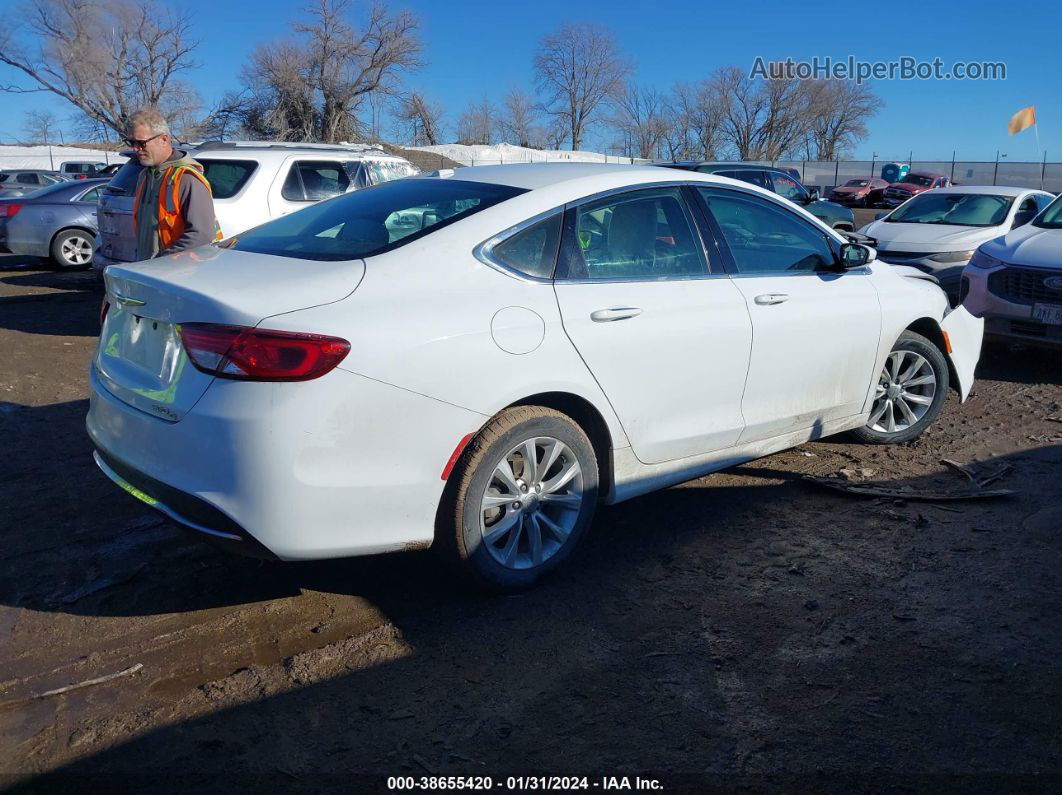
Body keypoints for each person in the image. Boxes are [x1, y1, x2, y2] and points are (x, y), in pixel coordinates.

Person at [124, 108, 221, 261]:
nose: (136, 149)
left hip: (177, 272)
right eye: (132, 142)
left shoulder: (187, 178)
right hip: (148, 270)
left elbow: (201, 235)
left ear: (164, 139)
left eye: (141, 143)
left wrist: (163, 262)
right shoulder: (145, 176)